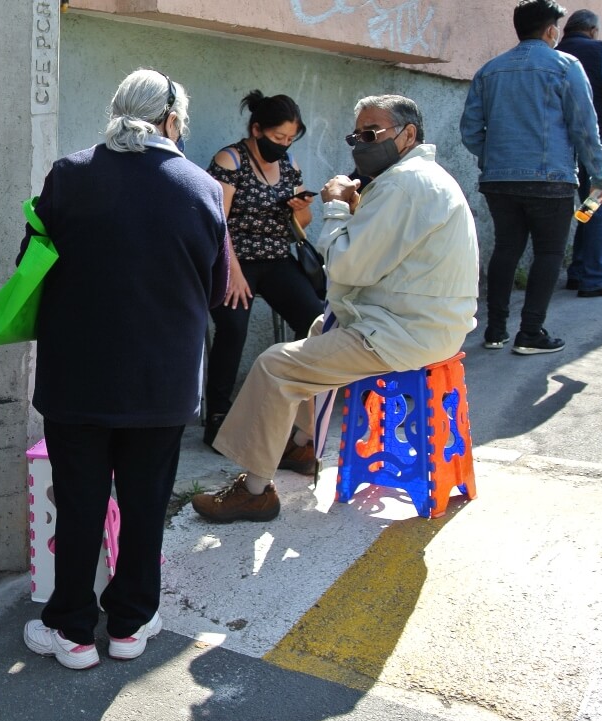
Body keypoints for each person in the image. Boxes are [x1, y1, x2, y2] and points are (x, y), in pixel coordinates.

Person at [21, 69, 228, 668]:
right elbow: (215, 291)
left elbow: (34, 262)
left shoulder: (69, 174)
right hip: (161, 382)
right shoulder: (201, 187)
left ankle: (73, 632)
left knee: (81, 502)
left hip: (78, 377)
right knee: (144, 503)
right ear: (173, 120)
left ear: (115, 112)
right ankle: (132, 624)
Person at [191, 94, 478, 523]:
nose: (361, 143)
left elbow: (345, 266)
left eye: (372, 133)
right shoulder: (421, 177)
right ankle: (304, 441)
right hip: (424, 324)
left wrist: (337, 207)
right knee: (318, 329)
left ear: (409, 134)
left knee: (274, 365)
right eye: (357, 135)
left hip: (402, 331)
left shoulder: (403, 184)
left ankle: (254, 490)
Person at [461, 0, 602, 355]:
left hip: (499, 180)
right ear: (550, 30)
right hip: (552, 179)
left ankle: (495, 331)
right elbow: (584, 128)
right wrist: (600, 175)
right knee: (549, 252)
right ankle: (530, 333)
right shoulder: (565, 65)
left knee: (506, 249)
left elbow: (470, 130)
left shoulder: (489, 69)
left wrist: (494, 159)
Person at [203, 90, 324, 461]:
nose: (283, 146)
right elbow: (216, 221)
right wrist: (233, 272)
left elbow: (300, 225)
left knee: (315, 320)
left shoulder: (289, 165)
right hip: (232, 258)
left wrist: (299, 209)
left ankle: (302, 412)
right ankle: (218, 417)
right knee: (233, 327)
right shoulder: (230, 160)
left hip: (275, 257)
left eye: (289, 139)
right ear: (256, 129)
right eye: (277, 138)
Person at [557, 9, 602, 297]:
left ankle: (578, 271)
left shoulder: (553, 52)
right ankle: (592, 277)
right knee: (599, 204)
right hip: (599, 141)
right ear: (592, 30)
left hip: (563, 144)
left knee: (588, 207)